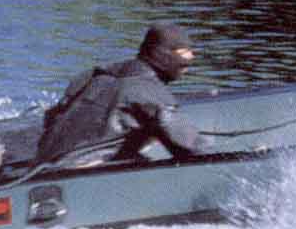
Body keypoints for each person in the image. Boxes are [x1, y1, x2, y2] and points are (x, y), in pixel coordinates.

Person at [35, 24, 208, 165]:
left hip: (47, 163)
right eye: (184, 52)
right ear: (161, 54)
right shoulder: (148, 90)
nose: (191, 58)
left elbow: (54, 116)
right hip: (85, 172)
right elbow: (191, 147)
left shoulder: (96, 76)